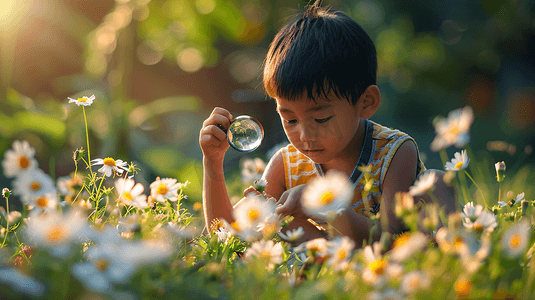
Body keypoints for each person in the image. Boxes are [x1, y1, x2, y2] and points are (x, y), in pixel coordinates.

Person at [199, 0, 456, 246]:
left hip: (392, 261)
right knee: (286, 225)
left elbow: (389, 237)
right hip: (329, 267)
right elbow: (227, 234)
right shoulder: (287, 165)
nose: (305, 134)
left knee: (436, 184)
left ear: (365, 102)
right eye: (289, 119)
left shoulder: (394, 153)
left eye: (320, 118)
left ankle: (456, 256)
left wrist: (326, 209)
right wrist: (213, 163)